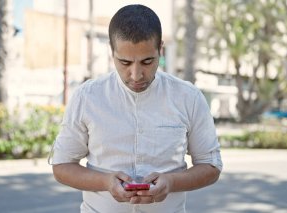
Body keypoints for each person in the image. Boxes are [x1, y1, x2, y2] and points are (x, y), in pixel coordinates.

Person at [50, 4, 222, 213]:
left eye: (147, 61)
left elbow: (211, 166)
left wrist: (171, 182)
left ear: (160, 48)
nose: (136, 74)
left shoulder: (189, 97)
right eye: (125, 62)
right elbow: (62, 166)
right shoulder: (86, 97)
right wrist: (105, 182)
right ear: (112, 52)